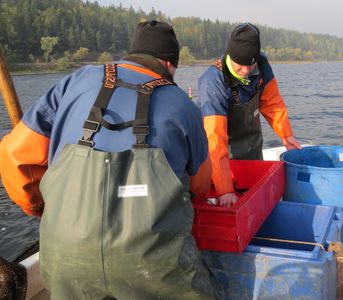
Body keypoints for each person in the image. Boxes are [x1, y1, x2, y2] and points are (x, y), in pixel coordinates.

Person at [0, 20, 222, 299]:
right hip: (150, 264)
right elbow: (200, 186)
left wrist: (42, 208)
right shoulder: (183, 104)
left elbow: (13, 154)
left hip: (64, 253)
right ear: (169, 65)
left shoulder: (75, 81)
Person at [198, 23, 302, 208]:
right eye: (240, 66)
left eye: (250, 65)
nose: (246, 70)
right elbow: (214, 139)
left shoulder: (261, 64)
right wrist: (225, 190)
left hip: (252, 149)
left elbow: (272, 104)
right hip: (222, 158)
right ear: (230, 56)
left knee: (256, 203)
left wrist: (286, 135)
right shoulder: (213, 82)